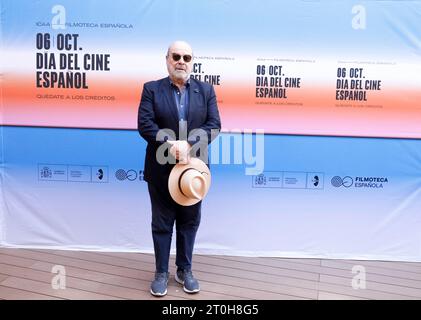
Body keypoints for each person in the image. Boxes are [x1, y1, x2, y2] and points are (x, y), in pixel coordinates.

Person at [137, 40, 221, 297]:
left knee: (189, 222)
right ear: (167, 59)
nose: (181, 61)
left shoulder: (206, 91)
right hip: (161, 169)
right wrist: (169, 143)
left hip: (193, 171)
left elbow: (214, 124)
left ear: (192, 61)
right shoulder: (151, 89)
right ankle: (161, 272)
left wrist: (189, 143)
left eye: (186, 57)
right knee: (162, 223)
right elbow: (145, 124)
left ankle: (185, 269)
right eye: (176, 56)